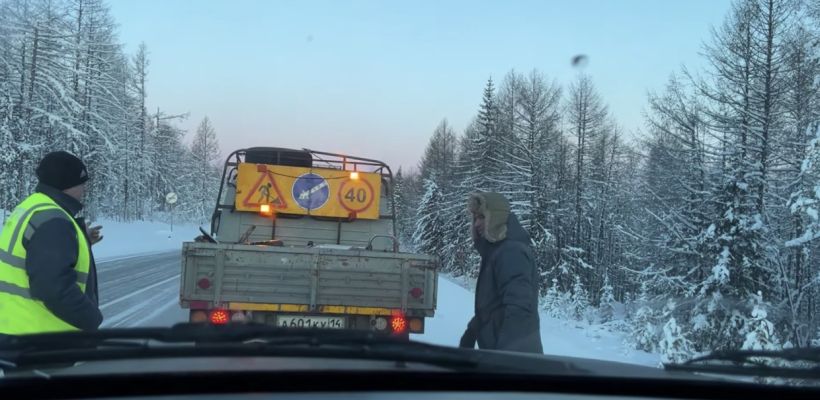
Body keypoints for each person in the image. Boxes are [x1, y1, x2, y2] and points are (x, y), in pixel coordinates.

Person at [0, 151, 104, 340]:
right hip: (46, 341)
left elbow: (33, 253)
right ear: (68, 185)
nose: (84, 190)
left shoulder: (32, 206)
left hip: (17, 331)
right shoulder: (55, 221)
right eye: (82, 183)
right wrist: (91, 318)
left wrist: (82, 240)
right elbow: (53, 288)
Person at [459, 192, 543, 353]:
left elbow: (519, 309)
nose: (476, 224)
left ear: (495, 217)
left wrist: (504, 357)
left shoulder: (511, 251)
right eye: (475, 218)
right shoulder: (496, 251)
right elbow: (492, 307)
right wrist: (472, 331)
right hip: (504, 353)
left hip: (517, 359)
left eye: (482, 217)